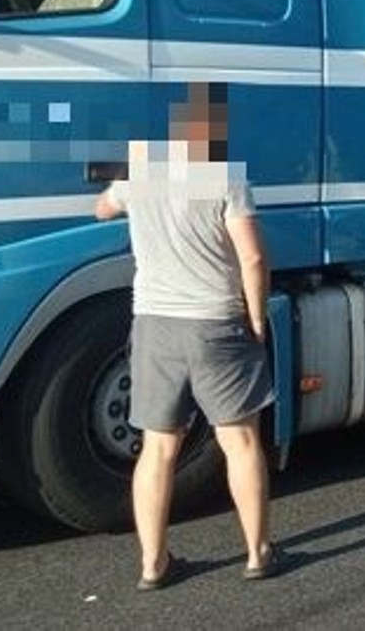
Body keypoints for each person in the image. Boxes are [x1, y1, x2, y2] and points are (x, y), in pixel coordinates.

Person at [95, 83, 279, 588]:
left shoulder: (140, 173)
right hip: (215, 322)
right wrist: (258, 319)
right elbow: (254, 258)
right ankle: (258, 553)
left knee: (158, 448)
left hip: (155, 324)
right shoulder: (225, 178)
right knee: (240, 440)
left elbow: (101, 209)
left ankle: (153, 565)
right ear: (214, 133)